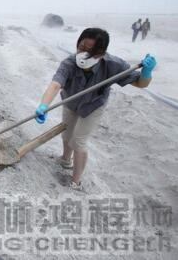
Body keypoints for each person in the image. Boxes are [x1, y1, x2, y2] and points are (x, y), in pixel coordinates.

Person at [34, 28, 156, 190]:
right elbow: (56, 84)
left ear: (101, 52)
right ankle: (65, 160)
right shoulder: (69, 63)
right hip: (71, 102)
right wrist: (44, 105)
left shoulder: (114, 65)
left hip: (93, 106)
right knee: (67, 133)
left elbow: (140, 83)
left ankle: (76, 182)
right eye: (82, 47)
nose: (84, 54)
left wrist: (147, 72)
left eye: (91, 51)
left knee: (78, 141)